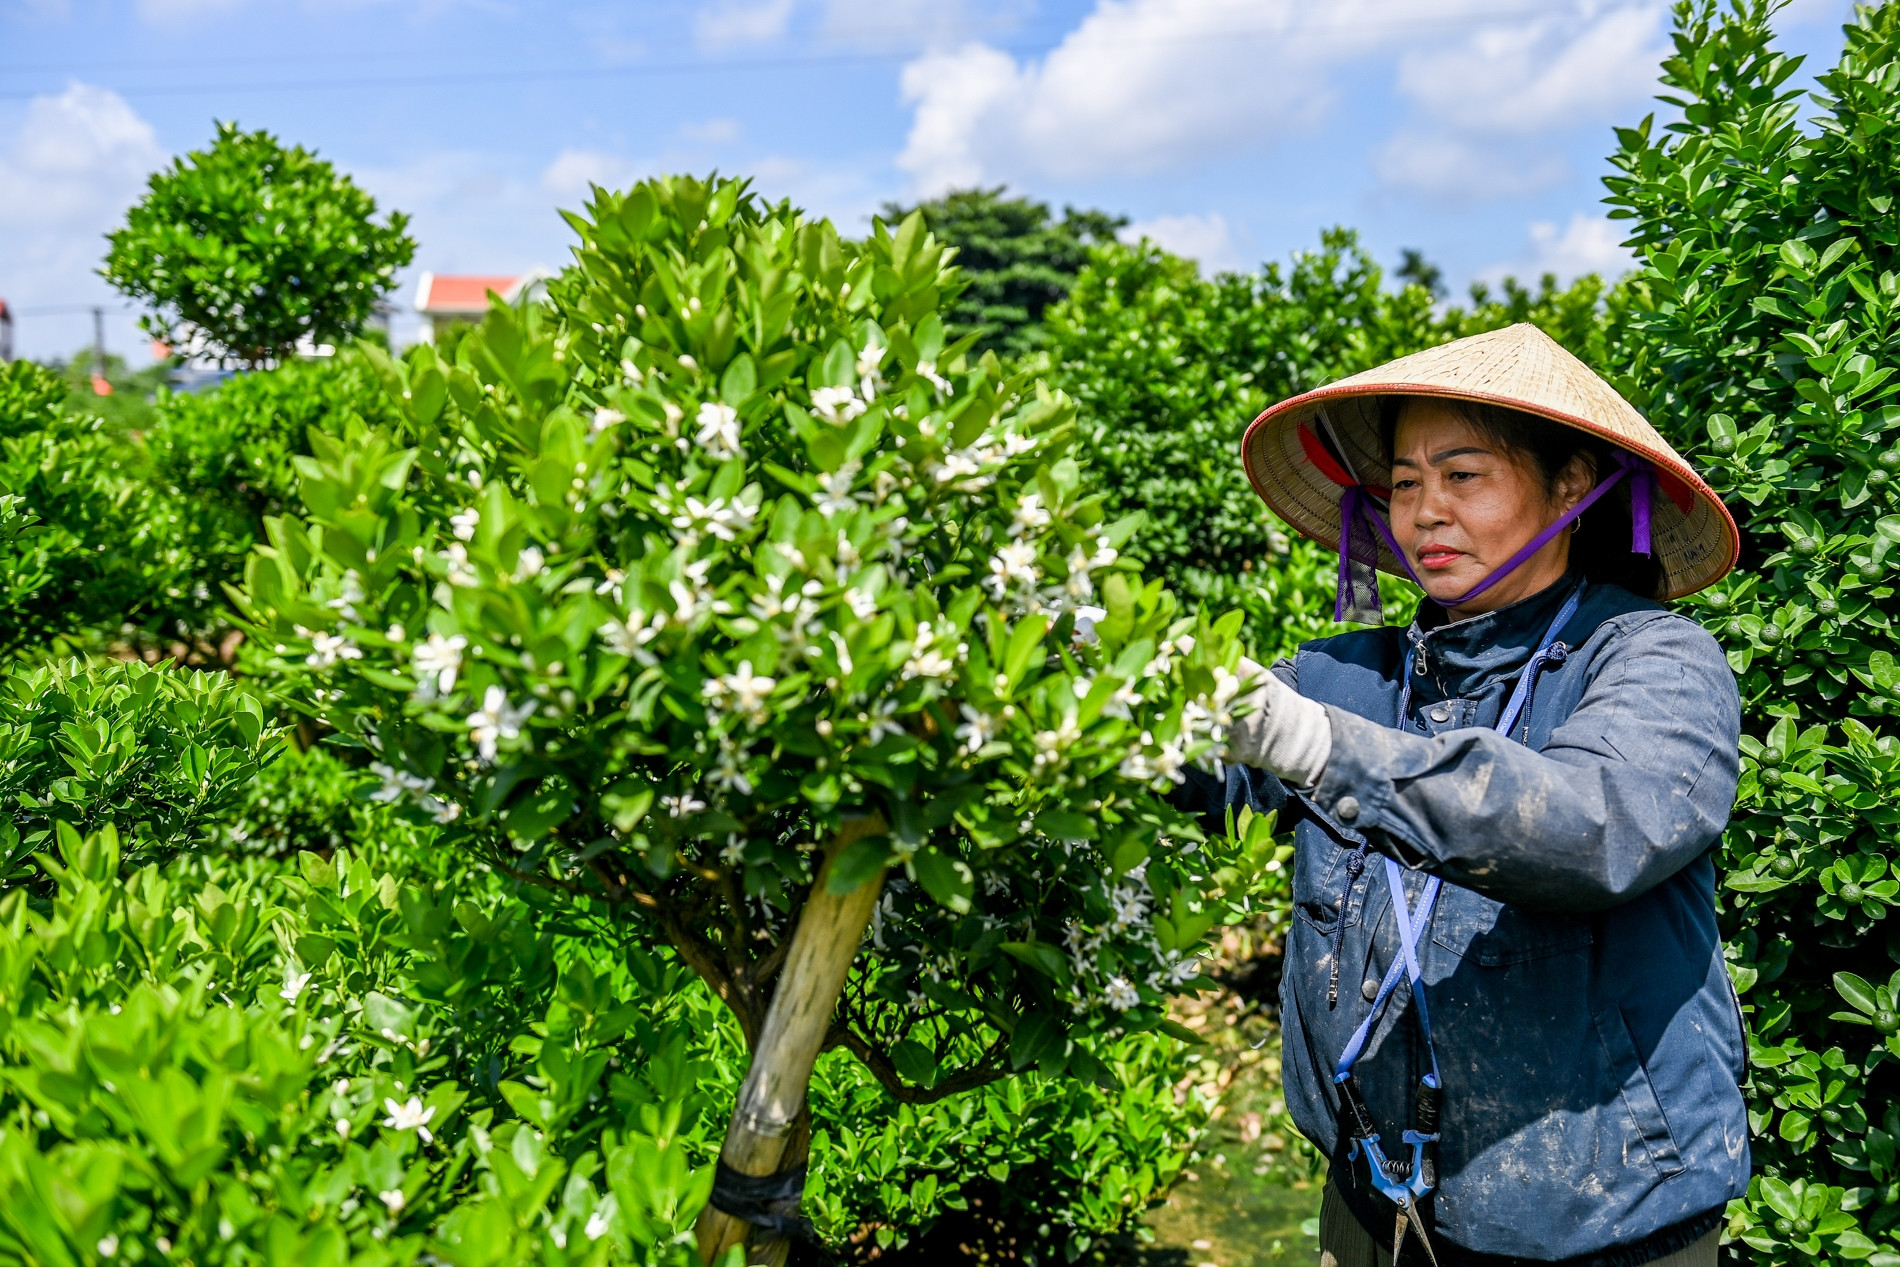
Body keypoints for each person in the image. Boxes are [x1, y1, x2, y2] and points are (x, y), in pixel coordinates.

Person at [1177, 324, 1748, 1267]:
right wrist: (1090, 681)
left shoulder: (1655, 662)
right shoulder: (1351, 676)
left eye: (1463, 475)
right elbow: (1214, 780)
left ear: (1570, 483)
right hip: (1372, 1212)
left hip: (1598, 1231)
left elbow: (1586, 826)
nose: (1424, 512)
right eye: (1404, 483)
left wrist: (1323, 748)